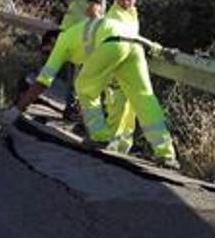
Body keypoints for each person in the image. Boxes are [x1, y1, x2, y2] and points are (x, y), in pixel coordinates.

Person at [74, 17, 181, 170]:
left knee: (86, 88)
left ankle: (102, 138)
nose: (127, 1)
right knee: (145, 100)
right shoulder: (125, 15)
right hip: (133, 52)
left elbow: (46, 76)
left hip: (116, 62)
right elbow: (132, 36)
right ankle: (166, 154)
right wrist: (157, 48)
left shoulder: (117, 15)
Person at [6, 0, 106, 116]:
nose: (50, 53)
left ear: (53, 41)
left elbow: (43, 81)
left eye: (49, 50)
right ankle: (76, 111)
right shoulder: (67, 43)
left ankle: (78, 111)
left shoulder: (66, 42)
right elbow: (43, 81)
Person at [58, 0, 119, 120]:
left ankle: (72, 108)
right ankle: (74, 109)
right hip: (79, 37)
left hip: (70, 34)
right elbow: (93, 12)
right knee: (81, 76)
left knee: (75, 74)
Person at [102, 0, 140, 154]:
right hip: (115, 70)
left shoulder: (132, 12)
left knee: (129, 111)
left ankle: (124, 149)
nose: (126, 2)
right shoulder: (114, 16)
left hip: (129, 70)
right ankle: (109, 148)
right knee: (117, 110)